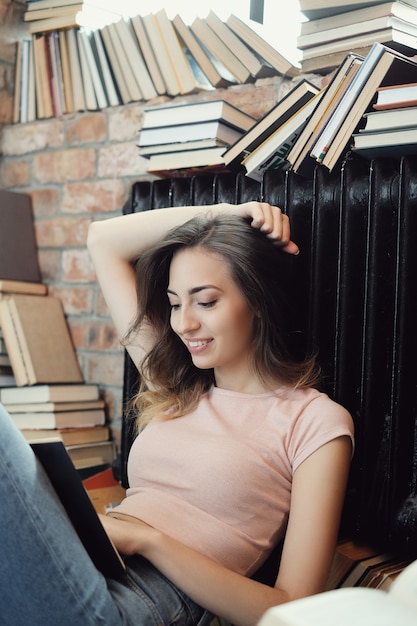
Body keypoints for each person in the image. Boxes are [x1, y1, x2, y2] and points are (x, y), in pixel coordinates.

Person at [0, 201, 354, 626]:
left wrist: (149, 540)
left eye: (205, 302)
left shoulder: (315, 423)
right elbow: (102, 240)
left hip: (142, 603)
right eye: (173, 303)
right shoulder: (175, 386)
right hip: (88, 559)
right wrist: (221, 214)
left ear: (257, 301)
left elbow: (293, 609)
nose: (183, 324)